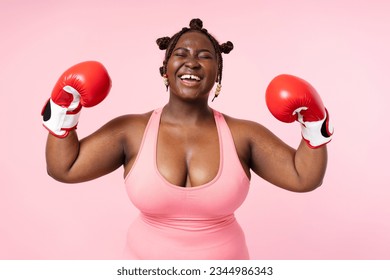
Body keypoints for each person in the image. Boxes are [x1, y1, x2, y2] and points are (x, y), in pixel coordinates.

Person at [42, 18, 333, 260]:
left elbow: (303, 178)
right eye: (181, 54)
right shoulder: (131, 130)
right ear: (165, 69)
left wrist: (313, 124)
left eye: (205, 56)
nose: (192, 63)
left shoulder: (244, 135)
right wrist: (64, 111)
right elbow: (64, 168)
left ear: (217, 74)